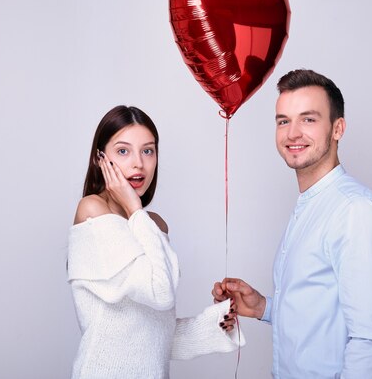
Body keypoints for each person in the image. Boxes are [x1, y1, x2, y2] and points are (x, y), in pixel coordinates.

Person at [212, 69, 372, 378]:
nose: (293, 133)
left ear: (338, 128)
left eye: (308, 119)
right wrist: (263, 308)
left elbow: (371, 342)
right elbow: (322, 313)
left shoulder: (356, 211)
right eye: (284, 121)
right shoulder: (310, 205)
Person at [67, 105, 244, 379]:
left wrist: (216, 322)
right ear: (99, 159)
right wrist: (136, 210)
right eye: (123, 151)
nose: (138, 163)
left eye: (147, 150)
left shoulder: (153, 225)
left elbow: (151, 336)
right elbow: (160, 293)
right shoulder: (92, 210)